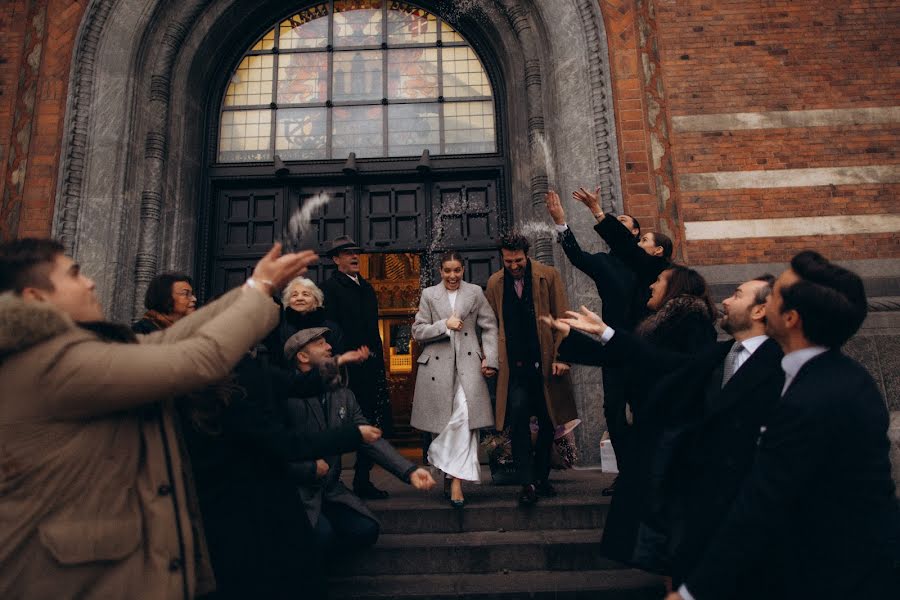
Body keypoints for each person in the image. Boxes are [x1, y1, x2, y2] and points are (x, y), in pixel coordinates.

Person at [0, 238, 316, 599]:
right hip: (71, 580)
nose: (90, 282)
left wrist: (255, 287)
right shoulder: (50, 362)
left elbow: (167, 341)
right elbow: (196, 359)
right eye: (74, 274)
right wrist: (259, 290)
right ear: (36, 297)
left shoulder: (62, 351)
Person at [671, 251, 900, 600]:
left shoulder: (815, 398)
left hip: (836, 579)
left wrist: (692, 592)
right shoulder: (829, 376)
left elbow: (764, 501)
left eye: (776, 292)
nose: (768, 296)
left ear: (790, 318)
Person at [554, 264, 717, 564]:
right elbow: (623, 356)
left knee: (672, 517)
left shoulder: (691, 319)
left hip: (676, 431)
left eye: (659, 280)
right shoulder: (662, 322)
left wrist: (605, 332)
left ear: (675, 287)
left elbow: (664, 363)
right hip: (658, 423)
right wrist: (575, 336)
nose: (652, 285)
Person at [635, 276, 784, 589]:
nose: (725, 302)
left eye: (737, 294)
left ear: (759, 311)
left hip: (746, 511)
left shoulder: (783, 365)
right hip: (699, 501)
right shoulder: (719, 354)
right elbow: (666, 365)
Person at [283, 327, 435, 554]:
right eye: (320, 344)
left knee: (366, 530)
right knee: (320, 537)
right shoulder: (284, 396)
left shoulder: (343, 394)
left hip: (331, 491)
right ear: (302, 357)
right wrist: (309, 468)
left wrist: (410, 471)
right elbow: (273, 451)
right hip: (297, 494)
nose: (329, 347)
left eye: (327, 342)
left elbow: (369, 438)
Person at [545, 189, 641, 496]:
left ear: (635, 233)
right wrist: (561, 223)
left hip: (647, 346)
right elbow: (576, 257)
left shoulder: (646, 263)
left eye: (622, 221)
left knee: (645, 408)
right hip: (613, 348)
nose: (615, 222)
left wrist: (599, 212)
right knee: (613, 410)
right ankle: (627, 474)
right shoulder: (603, 263)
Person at [484, 233, 578, 506]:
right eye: (508, 260)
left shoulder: (548, 276)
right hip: (514, 371)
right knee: (519, 424)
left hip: (547, 366)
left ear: (527, 255)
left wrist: (563, 357)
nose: (513, 266)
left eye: (518, 260)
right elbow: (490, 326)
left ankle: (542, 477)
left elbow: (563, 318)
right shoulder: (494, 283)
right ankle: (527, 483)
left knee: (549, 423)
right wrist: (489, 358)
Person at [410, 250, 499, 507]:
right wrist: (444, 325)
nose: (452, 275)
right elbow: (418, 330)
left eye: (457, 270)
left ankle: (456, 480)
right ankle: (451, 472)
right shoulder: (429, 295)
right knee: (449, 422)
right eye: (447, 270)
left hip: (469, 367)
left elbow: (490, 326)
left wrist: (490, 358)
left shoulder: (475, 293)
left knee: (464, 419)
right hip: (438, 370)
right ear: (440, 271)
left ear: (463, 270)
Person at [320, 235, 393, 499]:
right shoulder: (328, 288)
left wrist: (378, 360)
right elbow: (330, 329)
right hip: (346, 370)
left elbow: (373, 330)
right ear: (335, 259)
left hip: (370, 368)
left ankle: (363, 481)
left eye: (355, 252)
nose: (354, 257)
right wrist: (346, 356)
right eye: (347, 253)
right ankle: (332, 480)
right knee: (339, 423)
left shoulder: (368, 287)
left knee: (370, 421)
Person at [132, 272, 197, 333]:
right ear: (166, 298)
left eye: (192, 294)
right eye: (185, 293)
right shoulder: (141, 332)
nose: (194, 299)